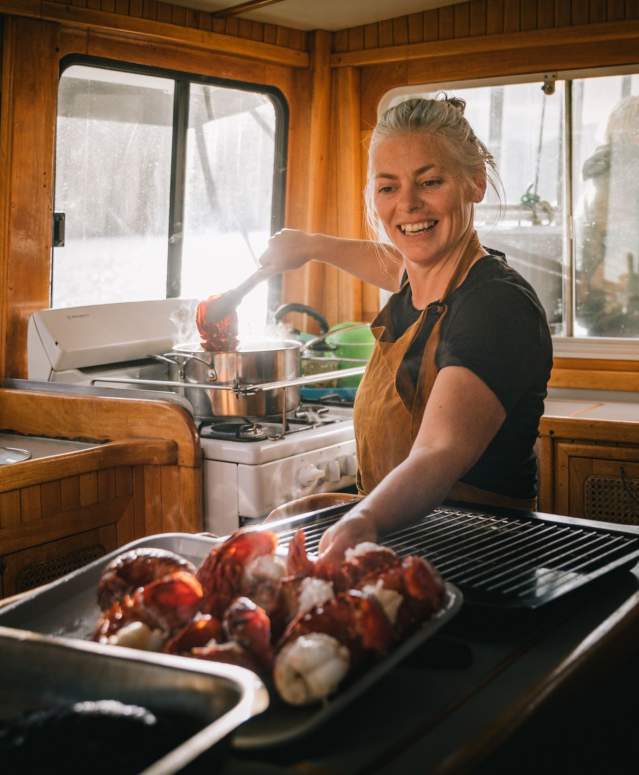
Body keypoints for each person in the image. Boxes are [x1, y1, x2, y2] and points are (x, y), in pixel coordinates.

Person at [259, 96, 553, 563]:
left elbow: (438, 450)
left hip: (479, 558)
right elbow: (393, 261)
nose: (407, 205)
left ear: (474, 183)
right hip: (406, 542)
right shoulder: (416, 284)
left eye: (430, 181)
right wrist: (311, 245)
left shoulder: (497, 306)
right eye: (387, 187)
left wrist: (365, 519)